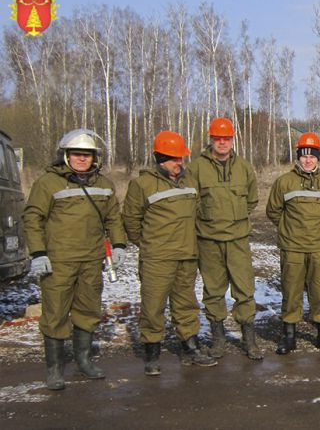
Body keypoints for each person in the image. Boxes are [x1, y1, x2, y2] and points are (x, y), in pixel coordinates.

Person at [23, 129, 127, 391]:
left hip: (92, 260)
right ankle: (55, 370)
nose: (82, 159)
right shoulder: (48, 183)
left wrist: (118, 245)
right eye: (77, 154)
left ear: (95, 158)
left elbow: (113, 218)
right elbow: (33, 218)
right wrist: (38, 253)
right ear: (66, 156)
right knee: (55, 312)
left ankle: (83, 360)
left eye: (87, 155)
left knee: (88, 311)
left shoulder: (103, 185)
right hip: (58, 261)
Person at [123, 131, 216, 375]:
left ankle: (190, 347)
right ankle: (152, 353)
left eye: (181, 159)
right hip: (157, 258)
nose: (180, 163)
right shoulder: (142, 184)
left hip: (187, 255)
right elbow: (131, 221)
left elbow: (196, 210)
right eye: (175, 159)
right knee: (153, 306)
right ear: (161, 158)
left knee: (186, 305)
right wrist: (149, 244)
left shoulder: (190, 181)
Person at [187, 117, 263, 360]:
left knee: (244, 289)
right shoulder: (196, 167)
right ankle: (218, 340)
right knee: (213, 291)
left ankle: (249, 341)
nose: (222, 143)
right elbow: (191, 201)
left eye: (226, 139)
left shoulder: (243, 166)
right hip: (208, 240)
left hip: (238, 239)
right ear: (211, 140)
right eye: (218, 139)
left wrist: (237, 217)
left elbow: (251, 199)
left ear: (232, 140)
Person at [266, 132, 320, 355]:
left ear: (318, 157)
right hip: (293, 248)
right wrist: (290, 230)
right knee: (291, 291)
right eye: (304, 155)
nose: (308, 160)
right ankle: (289, 336)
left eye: (312, 155)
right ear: (298, 156)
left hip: (319, 247)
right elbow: (273, 211)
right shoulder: (284, 182)